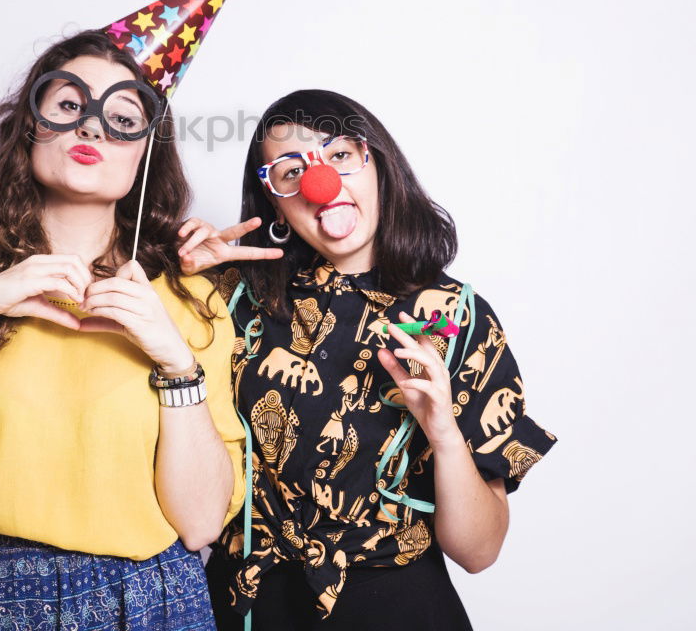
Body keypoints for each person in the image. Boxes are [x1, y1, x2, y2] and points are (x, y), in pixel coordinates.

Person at [0, 30, 246, 631]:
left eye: (123, 117)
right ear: (29, 125)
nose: (92, 127)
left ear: (145, 153)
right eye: (70, 105)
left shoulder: (190, 299)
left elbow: (201, 524)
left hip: (149, 599)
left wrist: (176, 363)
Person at [178, 88, 556, 630]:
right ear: (276, 204)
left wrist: (444, 431)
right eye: (290, 172)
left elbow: (479, 552)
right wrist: (179, 279)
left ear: (375, 162)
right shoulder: (231, 298)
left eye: (339, 155)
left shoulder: (457, 316)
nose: (319, 183)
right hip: (248, 604)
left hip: (395, 607)